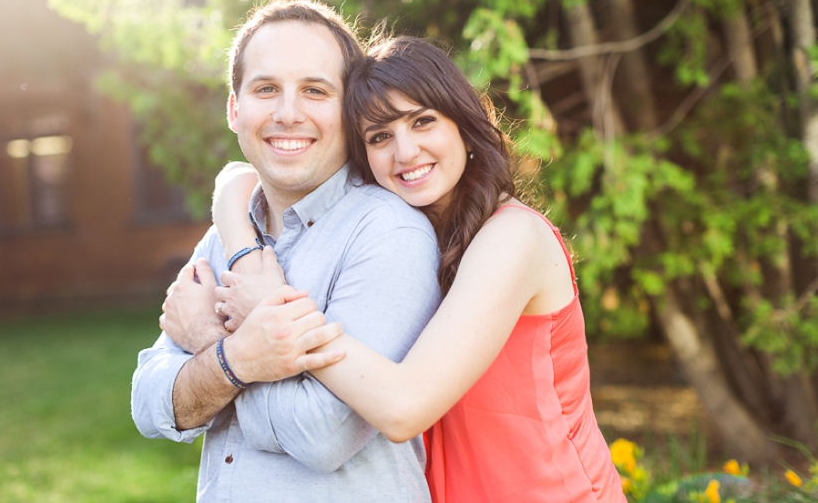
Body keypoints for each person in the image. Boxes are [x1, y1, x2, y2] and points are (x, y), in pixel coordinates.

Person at [212, 36, 627, 503]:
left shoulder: (513, 238)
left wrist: (273, 313)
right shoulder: (405, 238)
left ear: (463, 125)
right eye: (380, 137)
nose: (405, 152)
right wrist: (245, 251)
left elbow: (403, 408)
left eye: (422, 121)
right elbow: (236, 178)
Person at [131, 0, 441, 503]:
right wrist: (238, 358)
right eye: (266, 89)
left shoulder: (387, 233)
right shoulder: (225, 233)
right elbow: (151, 405)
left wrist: (214, 349)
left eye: (314, 91)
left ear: (350, 110)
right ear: (235, 109)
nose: (288, 113)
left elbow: (323, 436)